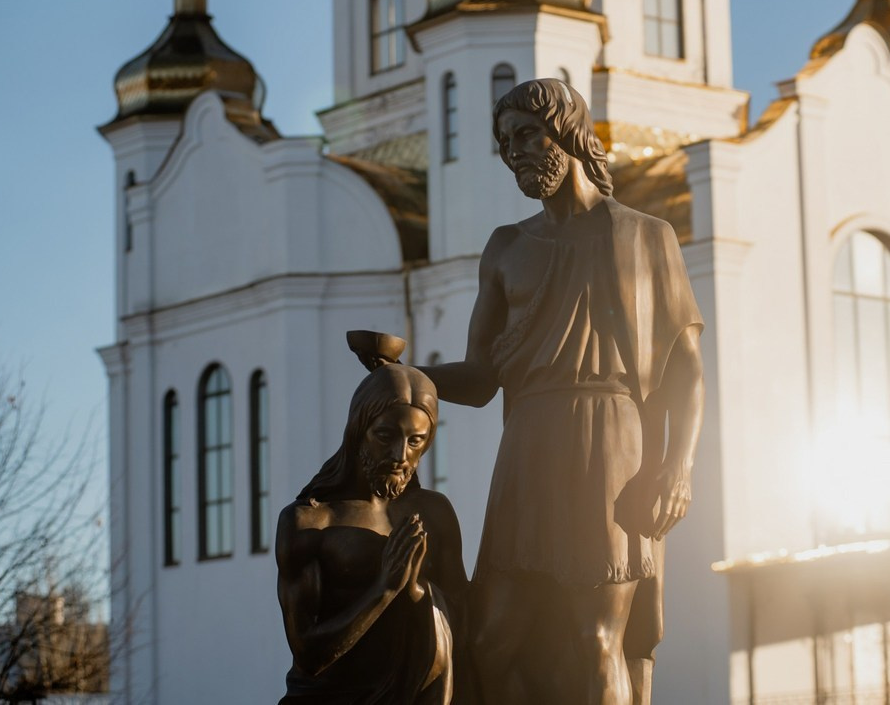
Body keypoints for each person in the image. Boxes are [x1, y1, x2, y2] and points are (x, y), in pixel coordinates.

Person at [405, 78, 704, 705]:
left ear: (567, 132)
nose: (514, 152)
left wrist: (677, 467)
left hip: (608, 445)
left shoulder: (644, 235)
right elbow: (480, 378)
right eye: (505, 142)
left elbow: (686, 371)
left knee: (595, 639)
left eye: (526, 135)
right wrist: (404, 377)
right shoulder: (506, 247)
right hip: (528, 448)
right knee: (489, 638)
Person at [275, 365, 469, 705]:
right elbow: (308, 654)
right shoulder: (310, 522)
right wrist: (385, 589)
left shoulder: (434, 513)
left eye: (415, 441)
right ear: (358, 430)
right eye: (385, 436)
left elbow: (466, 618)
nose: (400, 455)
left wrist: (416, 592)